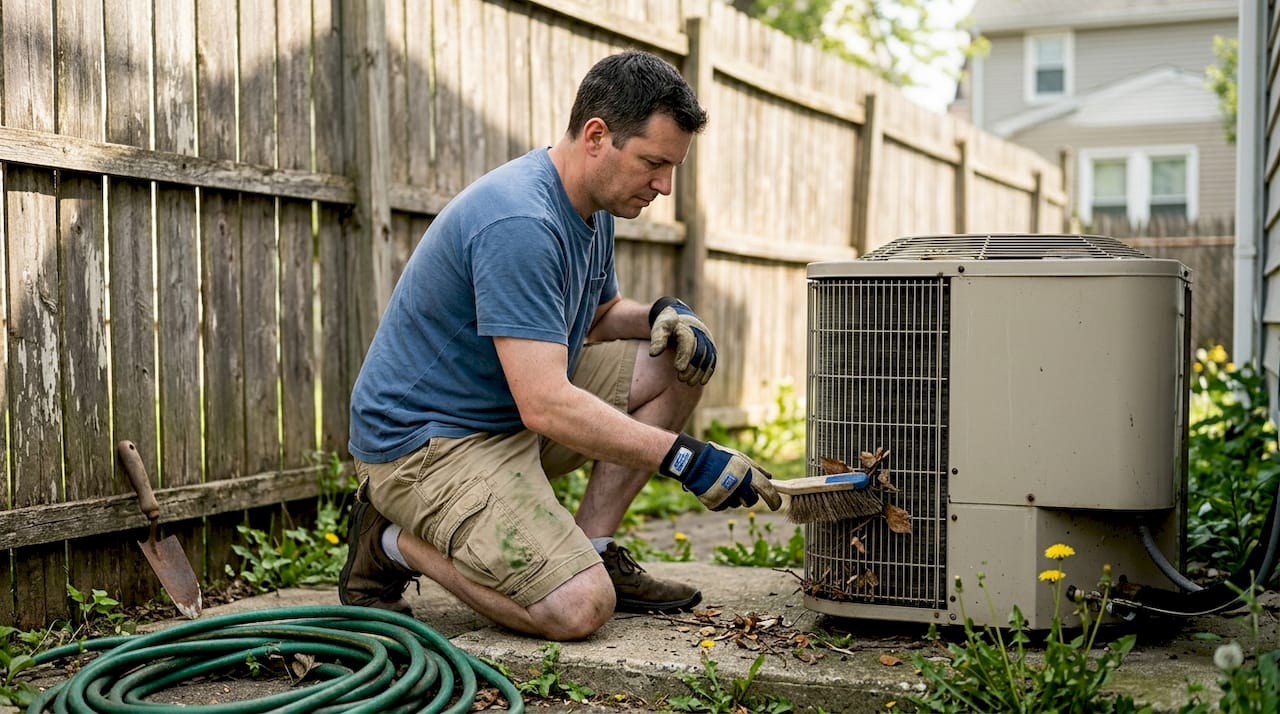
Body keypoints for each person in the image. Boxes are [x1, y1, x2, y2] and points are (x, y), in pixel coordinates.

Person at [339, 49, 781, 641]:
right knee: (577, 609)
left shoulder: (592, 209)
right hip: (428, 444)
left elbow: (596, 317)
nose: (665, 186)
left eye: (672, 167)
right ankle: (392, 542)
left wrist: (660, 312)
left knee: (679, 364)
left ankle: (594, 548)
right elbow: (547, 404)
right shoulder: (520, 221)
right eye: (654, 163)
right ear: (597, 135)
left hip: (504, 415)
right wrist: (686, 459)